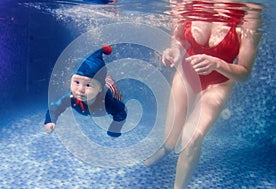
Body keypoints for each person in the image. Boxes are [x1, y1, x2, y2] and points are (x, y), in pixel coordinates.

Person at [144, 0, 262, 188]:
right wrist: (173, 51)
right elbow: (179, 39)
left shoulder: (248, 10)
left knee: (191, 140)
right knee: (172, 135)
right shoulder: (186, 2)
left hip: (218, 84)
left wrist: (217, 64)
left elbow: (245, 72)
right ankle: (166, 149)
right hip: (186, 74)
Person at [44, 45, 127, 138]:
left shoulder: (108, 101)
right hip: (99, 84)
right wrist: (50, 120)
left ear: (100, 89)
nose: (80, 90)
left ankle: (106, 80)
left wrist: (114, 131)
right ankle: (97, 80)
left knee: (115, 91)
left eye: (88, 85)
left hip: (108, 88)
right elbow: (55, 107)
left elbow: (121, 112)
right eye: (76, 82)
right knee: (99, 80)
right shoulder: (71, 97)